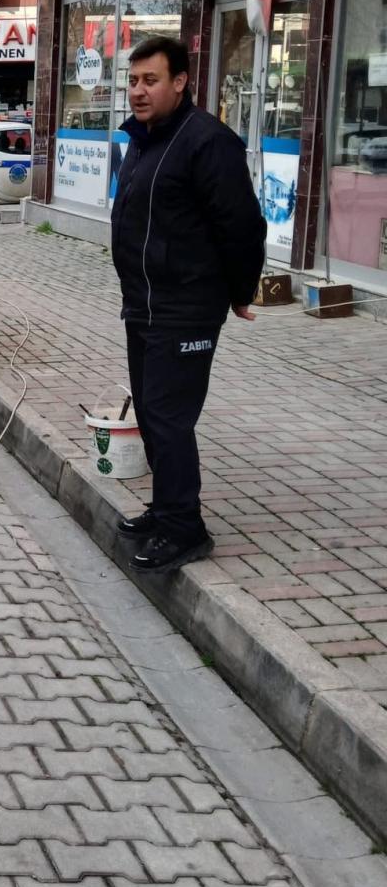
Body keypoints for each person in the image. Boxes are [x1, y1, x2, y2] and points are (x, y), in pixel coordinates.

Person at [111, 36, 266, 573]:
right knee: (150, 412)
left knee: (168, 416)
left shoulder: (208, 142)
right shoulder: (143, 139)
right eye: (133, 81)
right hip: (144, 304)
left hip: (186, 306)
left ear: (179, 82)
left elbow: (242, 226)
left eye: (150, 80)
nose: (138, 91)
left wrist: (240, 292)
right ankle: (165, 509)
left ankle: (185, 529)